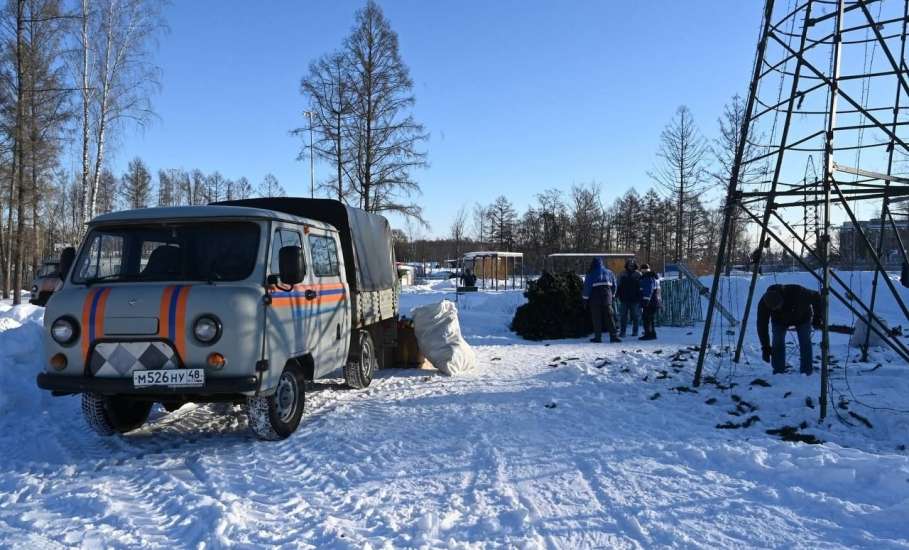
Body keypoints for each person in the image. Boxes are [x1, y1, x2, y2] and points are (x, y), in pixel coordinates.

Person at [757, 284, 824, 375]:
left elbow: (816, 296)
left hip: (802, 317)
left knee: (805, 341)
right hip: (779, 321)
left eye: (778, 306)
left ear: (782, 299)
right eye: (774, 309)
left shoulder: (798, 292)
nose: (778, 308)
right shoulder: (763, 304)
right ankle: (778, 371)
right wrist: (765, 347)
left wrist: (817, 317)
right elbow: (762, 325)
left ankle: (806, 371)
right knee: (777, 341)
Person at [583, 257, 620, 343]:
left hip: (595, 300)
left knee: (597, 319)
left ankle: (598, 337)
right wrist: (612, 295)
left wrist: (585, 299)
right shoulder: (609, 272)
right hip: (607, 299)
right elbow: (615, 285)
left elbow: (587, 287)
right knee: (610, 318)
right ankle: (614, 336)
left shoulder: (591, 273)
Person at [616, 258, 642, 337]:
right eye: (629, 264)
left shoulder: (638, 274)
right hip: (624, 299)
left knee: (635, 316)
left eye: (632, 265)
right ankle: (622, 332)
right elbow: (618, 285)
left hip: (635, 299)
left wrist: (640, 297)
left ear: (635, 265)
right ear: (627, 265)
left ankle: (635, 331)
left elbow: (641, 287)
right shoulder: (622, 274)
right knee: (623, 317)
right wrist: (617, 295)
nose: (631, 266)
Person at [639, 264, 661, 340]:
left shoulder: (647, 277)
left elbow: (648, 289)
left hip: (650, 302)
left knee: (647, 318)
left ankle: (649, 334)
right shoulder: (654, 277)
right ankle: (652, 334)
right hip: (655, 301)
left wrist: (646, 300)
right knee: (650, 319)